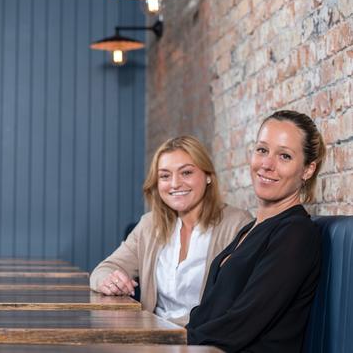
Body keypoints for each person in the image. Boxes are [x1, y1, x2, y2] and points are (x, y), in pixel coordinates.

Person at [186, 110, 326, 352]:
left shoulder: (297, 233)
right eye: (262, 150)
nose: (267, 164)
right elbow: (208, 312)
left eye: (284, 156)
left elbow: (242, 324)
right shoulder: (249, 229)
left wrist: (172, 342)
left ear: (307, 170)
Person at [90, 136, 252, 324]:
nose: (175, 183)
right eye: (165, 176)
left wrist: (160, 330)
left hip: (204, 340)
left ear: (208, 176)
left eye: (186, 173)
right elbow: (103, 270)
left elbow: (236, 304)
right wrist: (110, 282)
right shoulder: (149, 225)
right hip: (152, 339)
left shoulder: (237, 224)